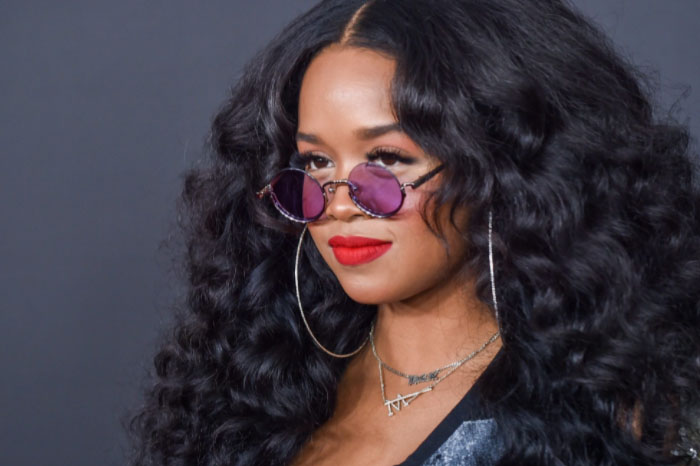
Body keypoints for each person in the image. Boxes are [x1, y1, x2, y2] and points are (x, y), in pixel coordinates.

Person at [128, 0, 700, 465]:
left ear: (501, 168)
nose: (340, 205)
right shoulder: (257, 391)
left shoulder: (616, 411)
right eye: (317, 163)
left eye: (387, 159)